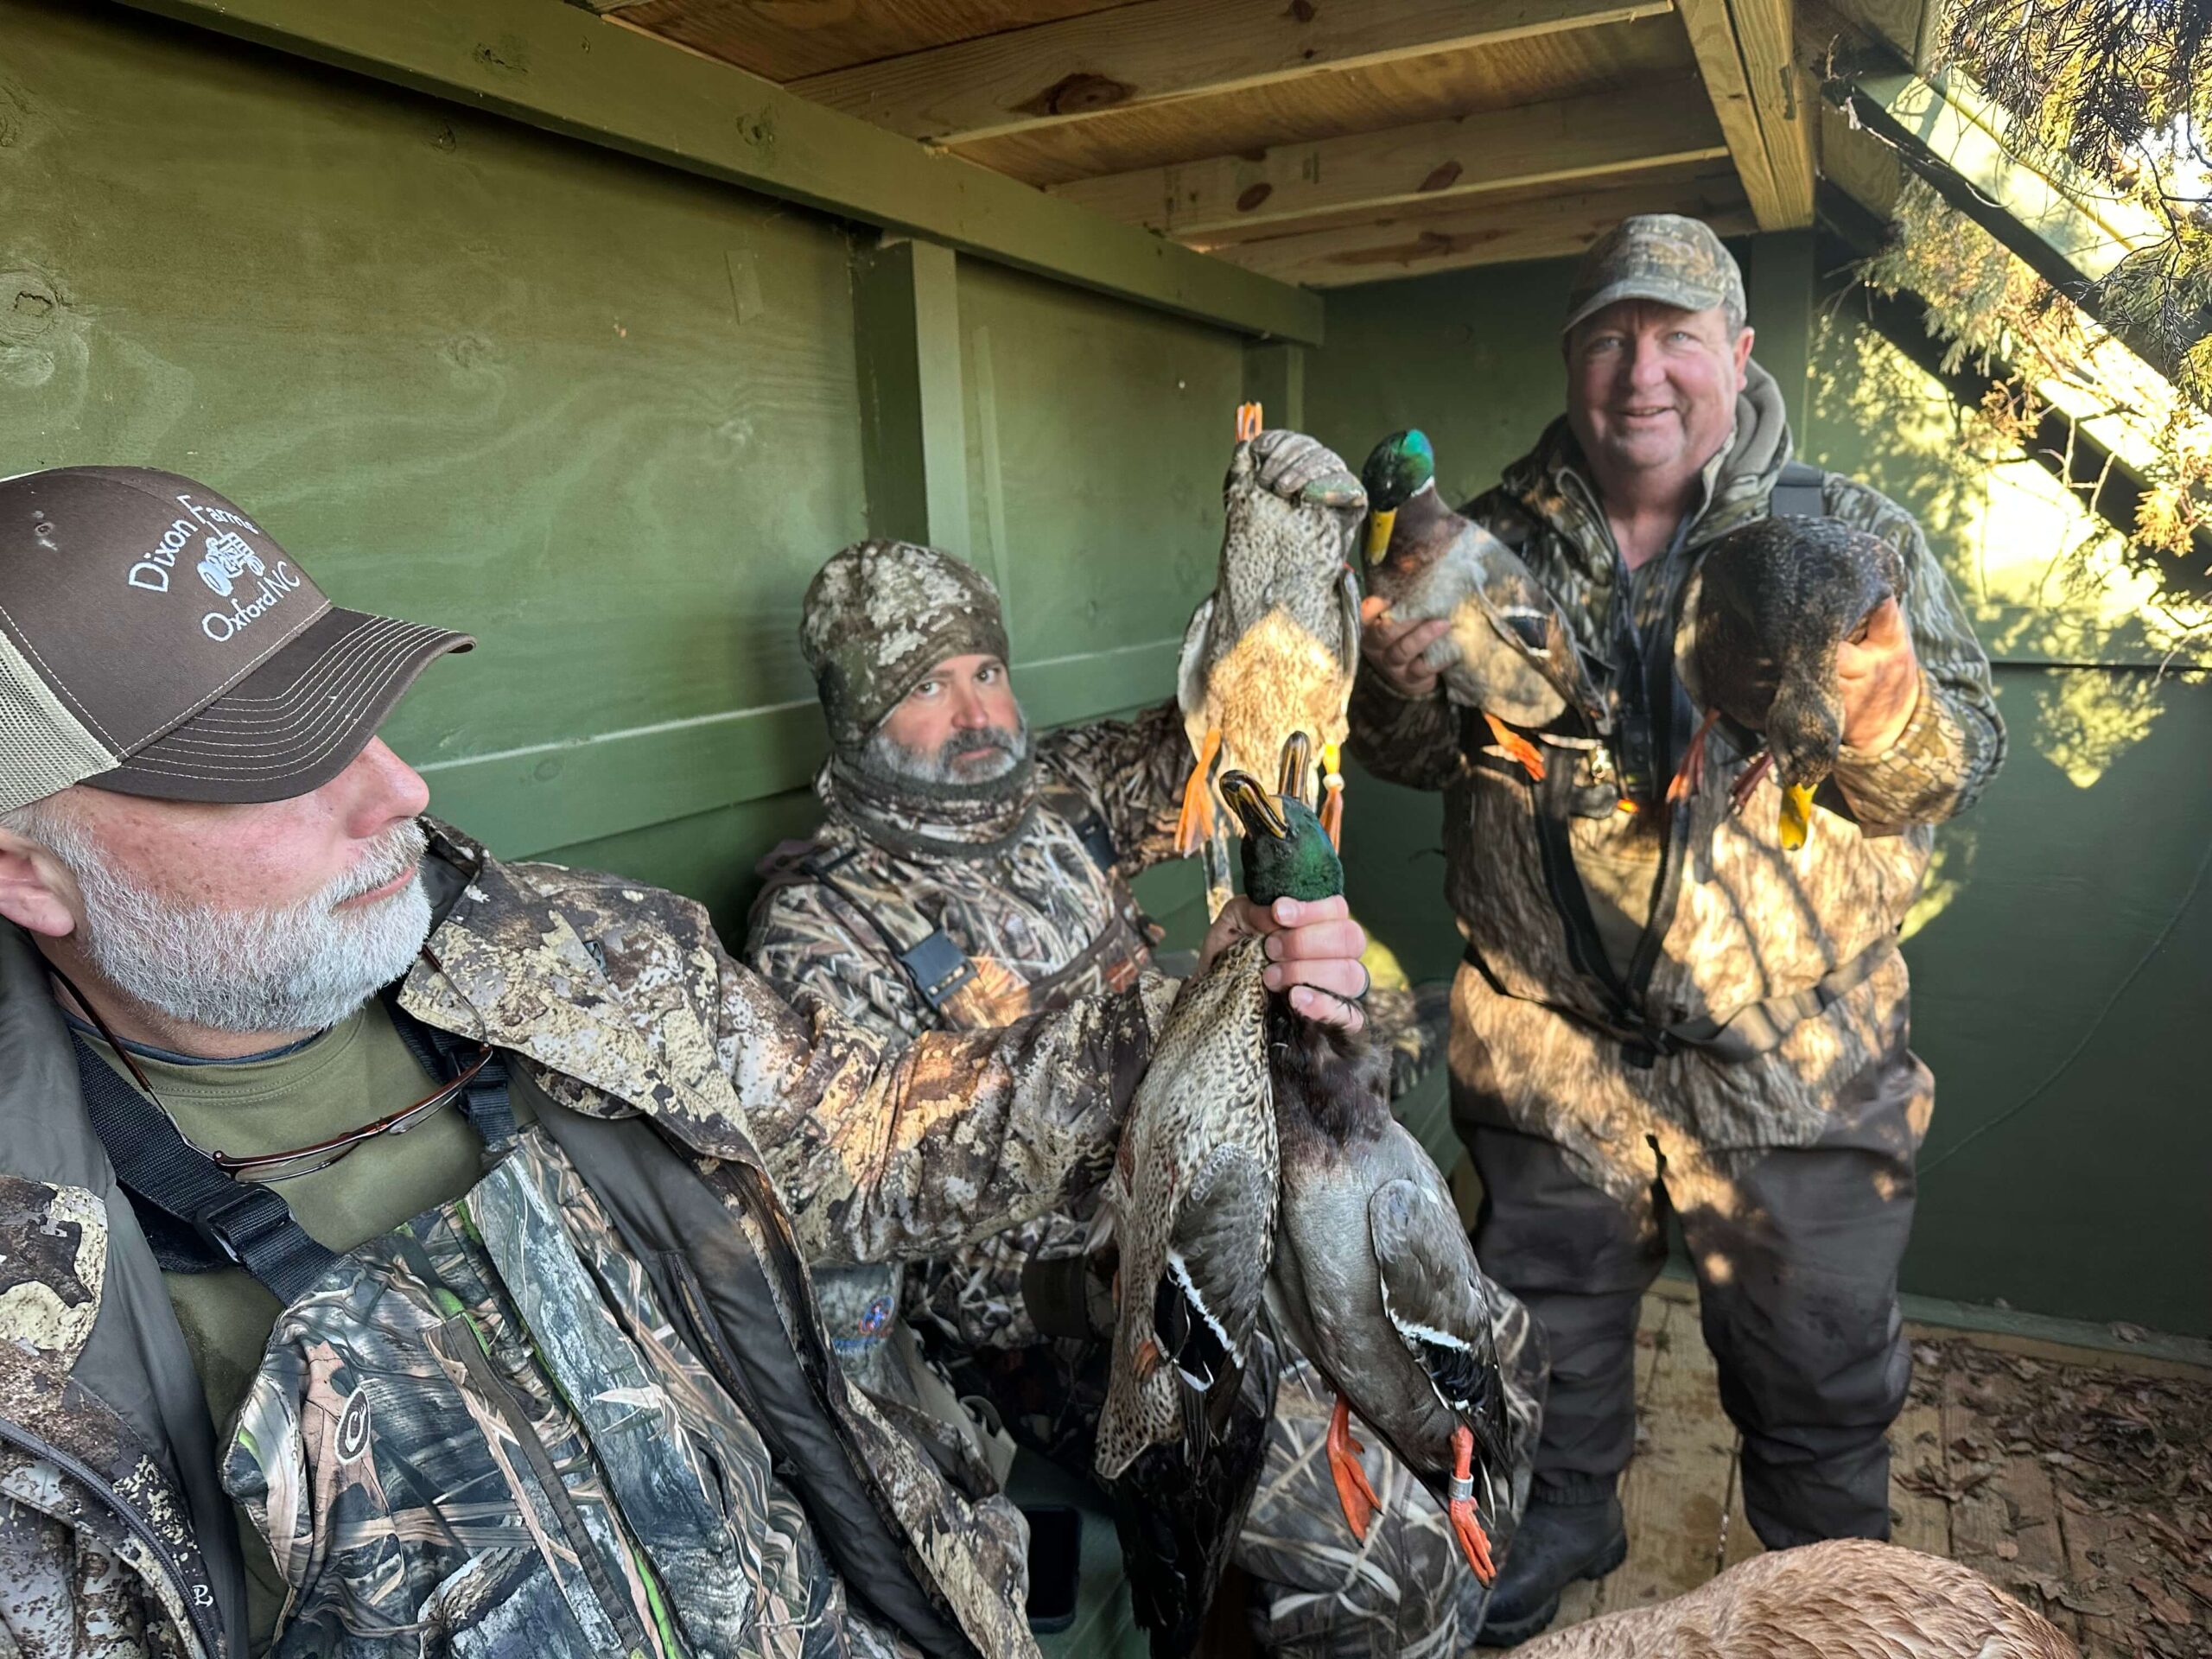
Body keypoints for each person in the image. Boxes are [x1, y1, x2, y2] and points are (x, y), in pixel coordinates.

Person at [0, 464, 1374, 1659]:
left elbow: (863, 1138)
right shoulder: (34, 1347)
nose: (398, 790)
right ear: (27, 870)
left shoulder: (577, 960)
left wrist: (1209, 1017)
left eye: (362, 714)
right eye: (271, 764)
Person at [1350, 215, 2005, 1643]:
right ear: (1572, 358)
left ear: (1738, 356)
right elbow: (1396, 752)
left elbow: (1957, 765)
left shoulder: (1849, 536)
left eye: (1675, 338)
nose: (1640, 374)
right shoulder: (1483, 538)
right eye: (1606, 338)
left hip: (1794, 1054)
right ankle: (1564, 1518)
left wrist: (1881, 711)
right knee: (1542, 1336)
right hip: (1548, 1047)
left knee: (1820, 1362)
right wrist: (1395, 677)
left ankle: (1834, 1594)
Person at [747, 531, 1544, 1658]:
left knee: (1496, 1361)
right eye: (925, 686)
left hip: (1223, 1185)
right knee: (1378, 1564)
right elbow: (882, 1202)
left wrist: (1295, 593)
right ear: (856, 717)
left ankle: (1474, 1565)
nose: (976, 713)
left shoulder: (1053, 802)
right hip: (1075, 1307)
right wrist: (1188, 1030)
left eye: (985, 671)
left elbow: (1231, 738)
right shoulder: (821, 928)